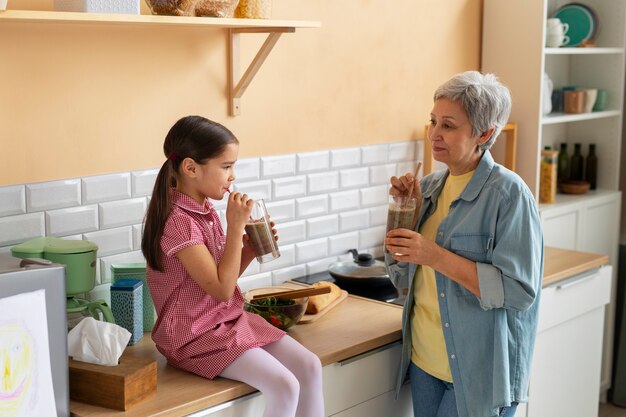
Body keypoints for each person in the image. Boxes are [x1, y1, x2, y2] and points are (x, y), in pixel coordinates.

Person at [141, 115, 324, 417]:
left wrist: (248, 251)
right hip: (192, 335)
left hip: (223, 321)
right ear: (191, 168)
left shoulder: (204, 210)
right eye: (226, 166)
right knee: (285, 385)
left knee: (310, 366)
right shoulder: (178, 222)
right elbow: (222, 289)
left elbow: (216, 279)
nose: (232, 175)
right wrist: (236, 227)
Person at [384, 71, 543, 417]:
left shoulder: (509, 195)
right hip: (424, 362)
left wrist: (435, 256)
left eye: (449, 125)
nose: (434, 134)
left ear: (484, 134)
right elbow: (400, 277)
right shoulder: (428, 187)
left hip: (478, 371)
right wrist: (402, 213)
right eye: (433, 121)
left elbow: (518, 292)